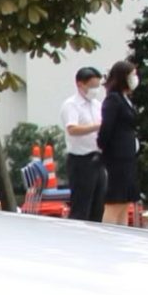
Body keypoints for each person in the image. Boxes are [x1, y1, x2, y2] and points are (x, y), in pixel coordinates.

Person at [60, 66, 105, 222]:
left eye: (97, 86)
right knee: (81, 205)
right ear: (80, 84)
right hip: (80, 159)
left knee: (98, 204)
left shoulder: (97, 105)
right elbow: (72, 129)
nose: (95, 90)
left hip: (97, 157)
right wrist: (97, 127)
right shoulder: (71, 105)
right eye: (92, 86)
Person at [99, 59, 141, 227]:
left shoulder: (126, 99)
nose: (135, 78)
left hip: (128, 156)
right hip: (117, 158)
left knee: (125, 201)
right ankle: (108, 236)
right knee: (115, 201)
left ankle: (122, 233)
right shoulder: (113, 100)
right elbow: (106, 130)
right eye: (132, 75)